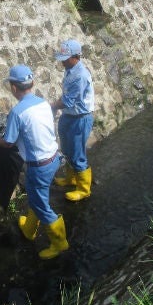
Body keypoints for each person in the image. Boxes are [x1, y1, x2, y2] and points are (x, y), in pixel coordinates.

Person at [0, 64, 69, 260]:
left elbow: (8, 142)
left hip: (39, 165)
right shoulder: (42, 103)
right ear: (32, 83)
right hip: (54, 158)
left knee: (41, 204)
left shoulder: (17, 112)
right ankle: (30, 229)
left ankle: (60, 243)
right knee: (35, 195)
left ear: (14, 88)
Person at [50, 39, 95, 201]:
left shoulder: (80, 75)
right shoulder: (70, 69)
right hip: (69, 116)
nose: (62, 62)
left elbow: (67, 101)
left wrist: (52, 106)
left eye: (65, 58)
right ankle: (71, 179)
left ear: (76, 56)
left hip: (80, 119)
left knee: (77, 153)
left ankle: (84, 189)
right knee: (67, 150)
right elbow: (67, 96)